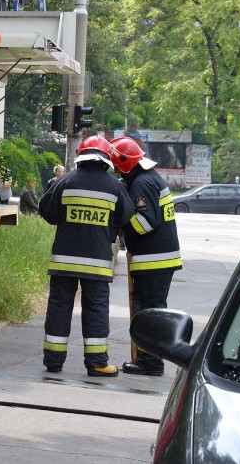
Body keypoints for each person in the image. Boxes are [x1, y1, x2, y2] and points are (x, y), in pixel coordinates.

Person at [38, 136, 132, 377]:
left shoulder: (65, 181)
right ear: (106, 160)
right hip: (98, 263)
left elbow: (46, 211)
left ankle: (53, 361)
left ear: (81, 155)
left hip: (64, 261)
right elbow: (126, 215)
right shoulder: (115, 186)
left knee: (59, 307)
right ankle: (97, 363)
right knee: (96, 310)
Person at [110, 136, 183, 376]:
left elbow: (145, 223)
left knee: (149, 313)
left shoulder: (142, 183)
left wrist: (122, 219)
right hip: (158, 259)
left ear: (124, 164)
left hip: (154, 260)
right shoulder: (150, 178)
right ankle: (148, 360)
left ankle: (151, 363)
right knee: (150, 311)